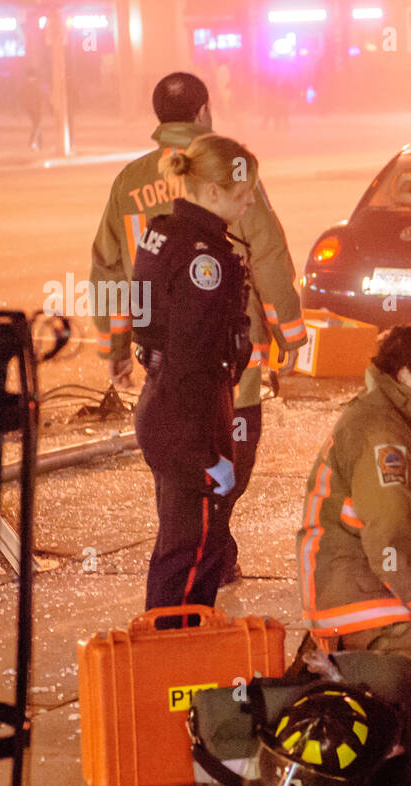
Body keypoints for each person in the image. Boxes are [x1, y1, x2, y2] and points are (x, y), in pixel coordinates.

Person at [90, 72, 305, 585]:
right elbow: (269, 253)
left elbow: (108, 267)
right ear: (205, 113)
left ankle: (203, 567)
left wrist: (115, 344)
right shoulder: (226, 171)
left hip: (162, 362)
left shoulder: (129, 180)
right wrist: (290, 335)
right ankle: (199, 576)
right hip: (229, 366)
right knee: (220, 476)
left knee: (182, 480)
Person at [297, 325, 411, 674]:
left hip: (362, 593)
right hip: (359, 607)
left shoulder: (391, 421)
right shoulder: (383, 436)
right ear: (406, 375)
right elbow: (391, 537)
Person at [130, 134, 256, 611]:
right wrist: (204, 455)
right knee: (194, 555)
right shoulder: (206, 258)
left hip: (160, 406)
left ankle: (168, 658)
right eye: (242, 192)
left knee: (177, 549)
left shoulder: (163, 233)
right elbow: (192, 361)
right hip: (189, 419)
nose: (248, 201)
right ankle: (176, 664)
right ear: (210, 192)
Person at [20, 70, 45, 151]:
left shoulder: (35, 86)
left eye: (31, 77)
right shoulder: (32, 86)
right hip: (32, 110)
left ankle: (37, 143)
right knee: (37, 125)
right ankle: (34, 142)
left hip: (36, 109)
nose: (30, 79)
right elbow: (26, 98)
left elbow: (41, 97)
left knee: (37, 125)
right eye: (29, 77)